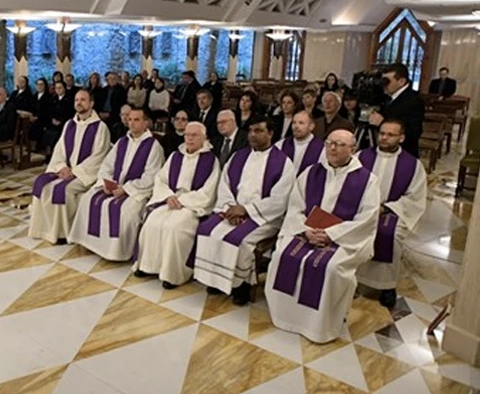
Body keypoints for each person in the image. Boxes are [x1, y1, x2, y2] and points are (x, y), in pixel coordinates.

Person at [265, 129, 380, 343]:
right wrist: (305, 230)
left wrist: (331, 234)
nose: (333, 148)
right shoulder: (310, 173)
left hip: (343, 240)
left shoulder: (368, 181)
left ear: (352, 149)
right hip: (307, 231)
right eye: (329, 143)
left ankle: (320, 326)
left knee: (331, 267)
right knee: (282, 255)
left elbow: (367, 219)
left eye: (339, 144)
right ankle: (286, 317)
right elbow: (295, 207)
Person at [194, 116, 295, 304]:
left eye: (259, 131)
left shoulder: (283, 163)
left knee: (240, 240)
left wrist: (246, 210)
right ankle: (216, 279)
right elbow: (224, 185)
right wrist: (230, 209)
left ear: (271, 134)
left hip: (264, 217)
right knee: (207, 230)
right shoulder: (238, 156)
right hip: (232, 210)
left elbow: (280, 200)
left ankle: (241, 286)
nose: (253, 135)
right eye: (250, 131)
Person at [68, 108, 164, 261]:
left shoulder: (153, 146)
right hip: (114, 186)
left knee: (127, 211)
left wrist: (125, 189)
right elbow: (107, 166)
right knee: (88, 199)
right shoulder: (122, 142)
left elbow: (151, 177)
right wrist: (105, 183)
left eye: (136, 120)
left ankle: (116, 252)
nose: (131, 123)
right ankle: (90, 243)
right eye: (130, 119)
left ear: (146, 123)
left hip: (136, 192)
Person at [134, 122, 219, 288]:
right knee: (152, 223)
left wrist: (183, 201)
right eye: (187, 134)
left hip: (191, 205)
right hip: (170, 199)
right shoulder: (175, 156)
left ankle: (172, 274)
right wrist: (168, 196)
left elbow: (209, 191)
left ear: (204, 137)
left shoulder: (211, 160)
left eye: (194, 135)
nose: (190, 138)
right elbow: (160, 179)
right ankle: (147, 266)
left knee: (174, 227)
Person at [356, 119, 427, 308]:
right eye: (382, 133)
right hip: (362, 209)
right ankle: (352, 278)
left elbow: (414, 198)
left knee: (391, 235)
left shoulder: (413, 165)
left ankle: (387, 286)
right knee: (353, 231)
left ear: (401, 138)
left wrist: (386, 208)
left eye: (391, 135)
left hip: (392, 211)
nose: (384, 138)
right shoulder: (362, 157)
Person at [29, 89, 111, 244]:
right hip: (66, 170)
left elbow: (99, 156)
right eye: (76, 100)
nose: (79, 103)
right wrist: (61, 167)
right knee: (41, 183)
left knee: (63, 190)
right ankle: (44, 228)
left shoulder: (100, 127)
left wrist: (75, 171)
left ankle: (64, 233)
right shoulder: (69, 125)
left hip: (85, 173)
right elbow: (59, 149)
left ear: (91, 103)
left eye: (83, 100)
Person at [369, 63, 425, 158]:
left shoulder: (413, 100)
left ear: (401, 81)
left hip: (403, 154)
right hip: (385, 151)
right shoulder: (388, 97)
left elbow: (413, 133)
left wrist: (382, 123)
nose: (384, 85)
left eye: (387, 81)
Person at [275, 111, 324, 175]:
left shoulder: (322, 149)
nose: (296, 126)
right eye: (294, 123)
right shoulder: (280, 145)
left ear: (311, 126)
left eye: (301, 123)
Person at [41, 81, 74, 156]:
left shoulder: (69, 99)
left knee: (56, 134)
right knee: (48, 133)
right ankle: (48, 152)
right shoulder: (53, 98)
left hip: (64, 123)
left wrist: (61, 121)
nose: (58, 90)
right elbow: (49, 111)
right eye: (56, 88)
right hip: (53, 122)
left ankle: (56, 154)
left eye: (60, 88)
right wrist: (52, 119)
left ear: (64, 88)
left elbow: (70, 113)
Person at [28, 78, 53, 144]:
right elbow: (31, 108)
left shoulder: (49, 97)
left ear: (45, 86)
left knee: (36, 124)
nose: (39, 86)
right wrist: (31, 116)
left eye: (41, 84)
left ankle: (35, 144)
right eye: (38, 84)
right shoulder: (34, 96)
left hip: (44, 118)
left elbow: (48, 111)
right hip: (33, 117)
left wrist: (37, 117)